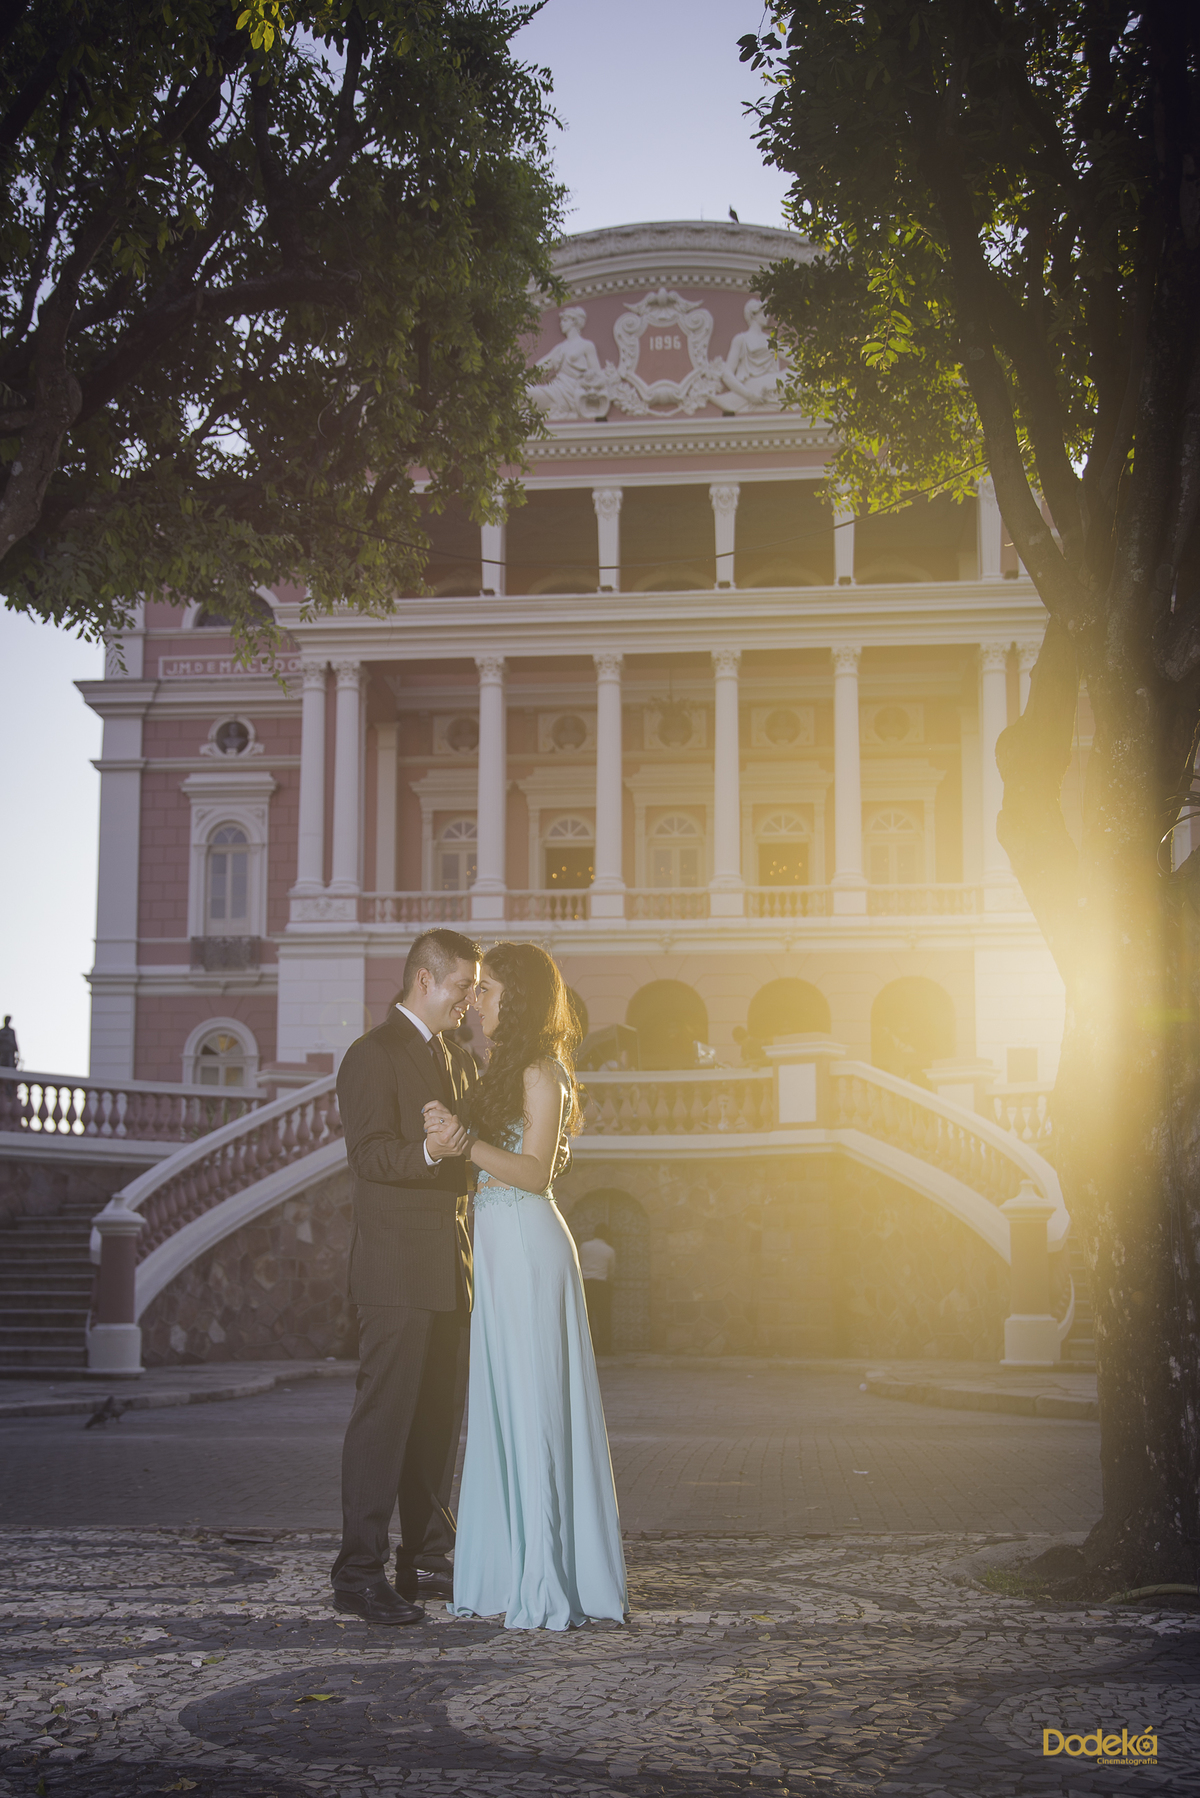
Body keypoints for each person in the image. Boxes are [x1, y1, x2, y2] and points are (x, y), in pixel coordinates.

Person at [423, 942, 627, 1631]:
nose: (478, 1001)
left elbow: (535, 1172)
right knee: (504, 1404)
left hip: (531, 1250)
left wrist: (464, 1142)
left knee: (534, 1405)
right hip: (500, 1252)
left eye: (490, 990)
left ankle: (544, 1578)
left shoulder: (542, 1071)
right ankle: (504, 1571)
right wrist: (449, 1136)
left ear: (521, 998)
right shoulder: (501, 1071)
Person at [331, 927, 482, 1626]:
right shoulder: (372, 1054)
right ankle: (358, 1572)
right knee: (384, 1425)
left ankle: (425, 1556)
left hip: (449, 1270)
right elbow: (368, 1156)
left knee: (434, 1426)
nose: (471, 1001)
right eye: (463, 987)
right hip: (394, 1273)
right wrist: (428, 1148)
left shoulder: (456, 1057)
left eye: (476, 990)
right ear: (425, 979)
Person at [578, 1225, 617, 1354]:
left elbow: (579, 1262)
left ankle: (584, 1347)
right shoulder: (609, 1250)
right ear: (606, 1234)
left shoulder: (584, 1246)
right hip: (601, 1285)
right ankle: (605, 1348)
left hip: (586, 1284)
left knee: (585, 1316)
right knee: (603, 1317)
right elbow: (611, 1271)